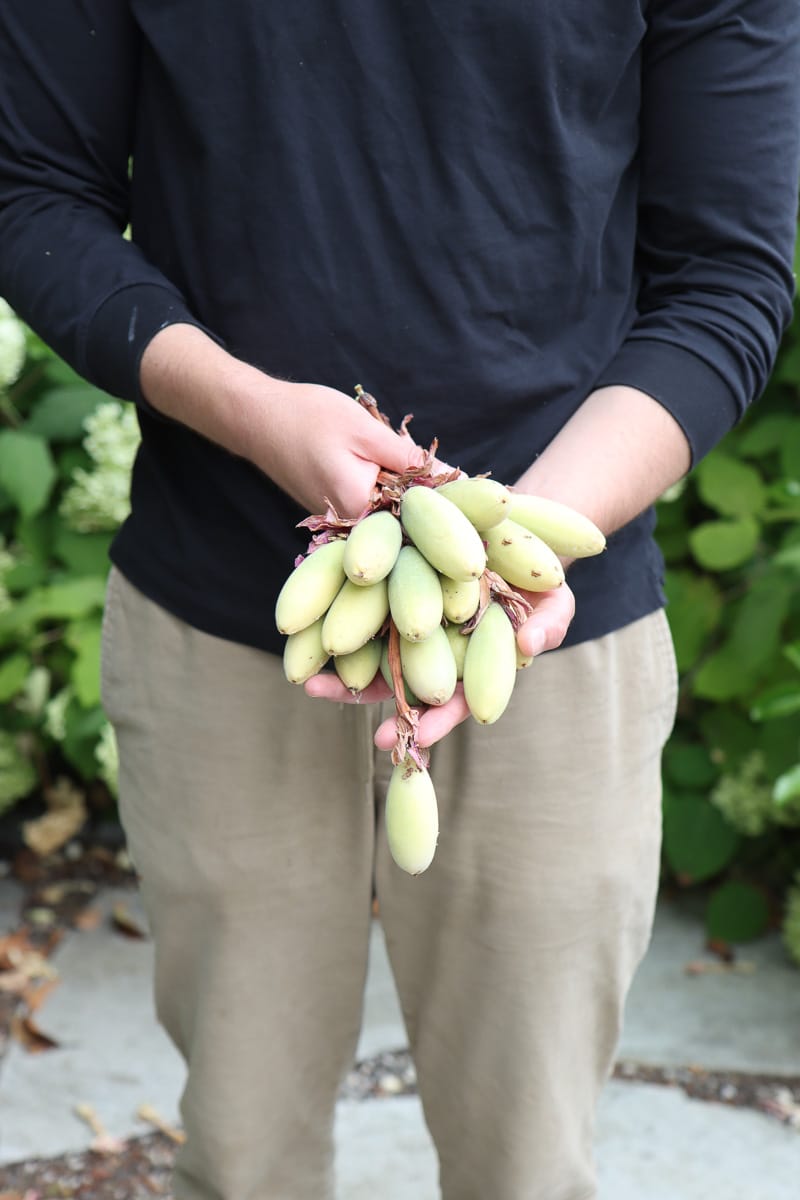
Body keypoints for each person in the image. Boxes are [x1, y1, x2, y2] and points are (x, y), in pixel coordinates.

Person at [1, 3, 798, 1197]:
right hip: (228, 612)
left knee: (526, 1164)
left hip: (554, 622)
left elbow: (726, 274)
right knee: (243, 1154)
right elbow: (31, 191)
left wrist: (514, 549)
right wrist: (250, 410)